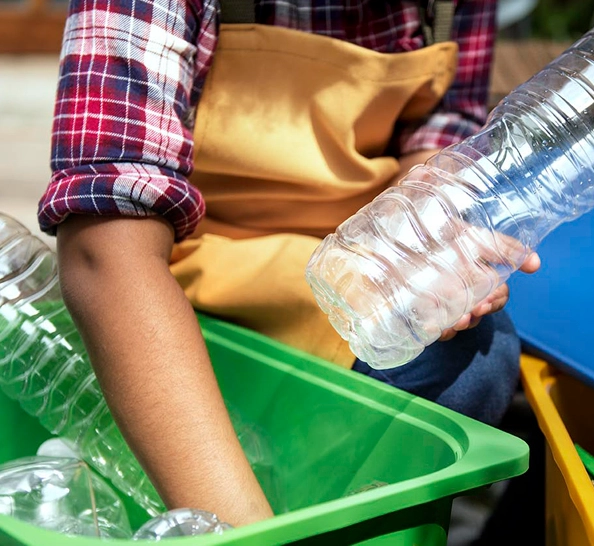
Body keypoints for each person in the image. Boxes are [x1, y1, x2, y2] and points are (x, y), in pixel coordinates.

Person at [38, 0, 541, 528]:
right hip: (187, 270)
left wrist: (426, 239)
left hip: (348, 261)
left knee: (475, 356)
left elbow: (440, 128)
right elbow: (106, 249)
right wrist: (246, 533)